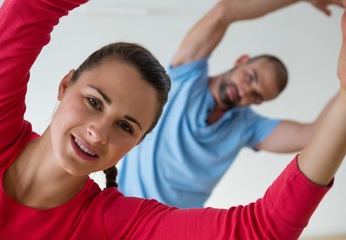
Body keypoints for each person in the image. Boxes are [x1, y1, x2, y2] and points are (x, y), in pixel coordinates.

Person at [0, 0, 346, 239]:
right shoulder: (188, 77)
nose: (98, 132)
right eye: (94, 101)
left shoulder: (245, 127)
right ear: (65, 85)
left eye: (126, 126)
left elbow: (264, 226)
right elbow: (31, 7)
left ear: (137, 142)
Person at [118, 0, 345, 208]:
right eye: (251, 78)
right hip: (124, 210)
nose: (247, 91)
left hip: (172, 227)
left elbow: (312, 135)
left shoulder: (246, 126)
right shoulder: (185, 78)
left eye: (256, 96)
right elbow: (224, 12)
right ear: (241, 61)